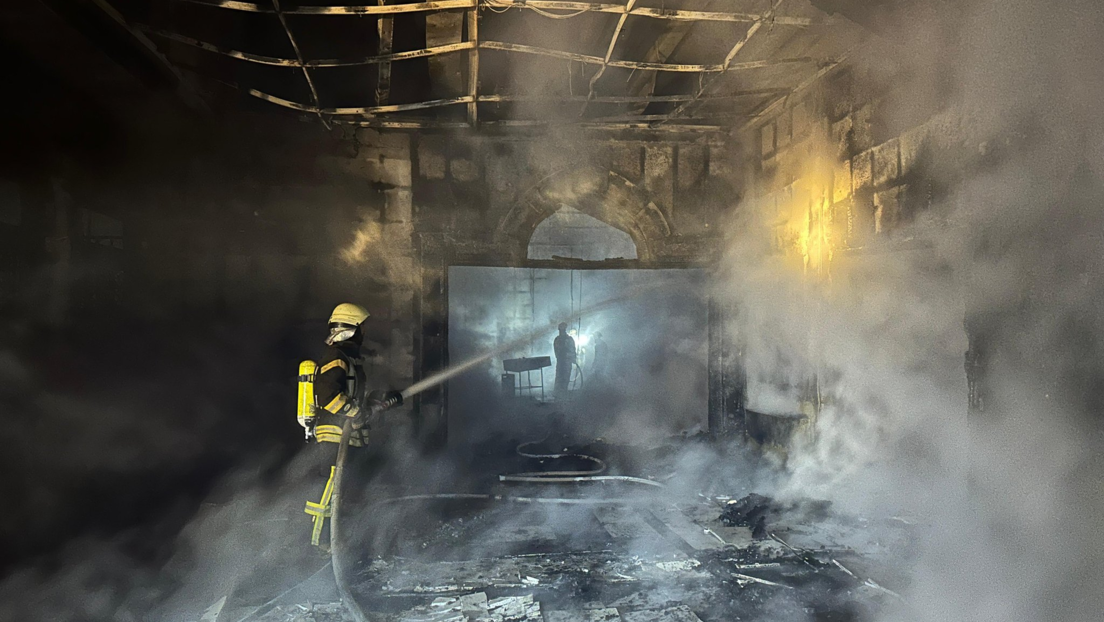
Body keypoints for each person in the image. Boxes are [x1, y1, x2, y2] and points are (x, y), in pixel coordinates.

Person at [300, 302, 400, 548]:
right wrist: (357, 412)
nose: (365, 333)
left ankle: (343, 545)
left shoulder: (348, 360)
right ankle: (320, 548)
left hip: (347, 439)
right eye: (362, 328)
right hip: (335, 438)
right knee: (331, 497)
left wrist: (374, 401)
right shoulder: (336, 358)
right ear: (351, 329)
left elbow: (351, 396)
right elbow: (328, 396)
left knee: (346, 496)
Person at [553, 322, 576, 399]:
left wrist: (572, 358)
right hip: (561, 362)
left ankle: (563, 394)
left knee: (565, 378)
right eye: (560, 330)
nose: (561, 331)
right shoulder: (557, 339)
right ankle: (558, 394)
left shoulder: (569, 339)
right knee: (559, 377)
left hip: (566, 362)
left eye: (562, 329)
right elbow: (556, 351)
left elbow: (573, 349)